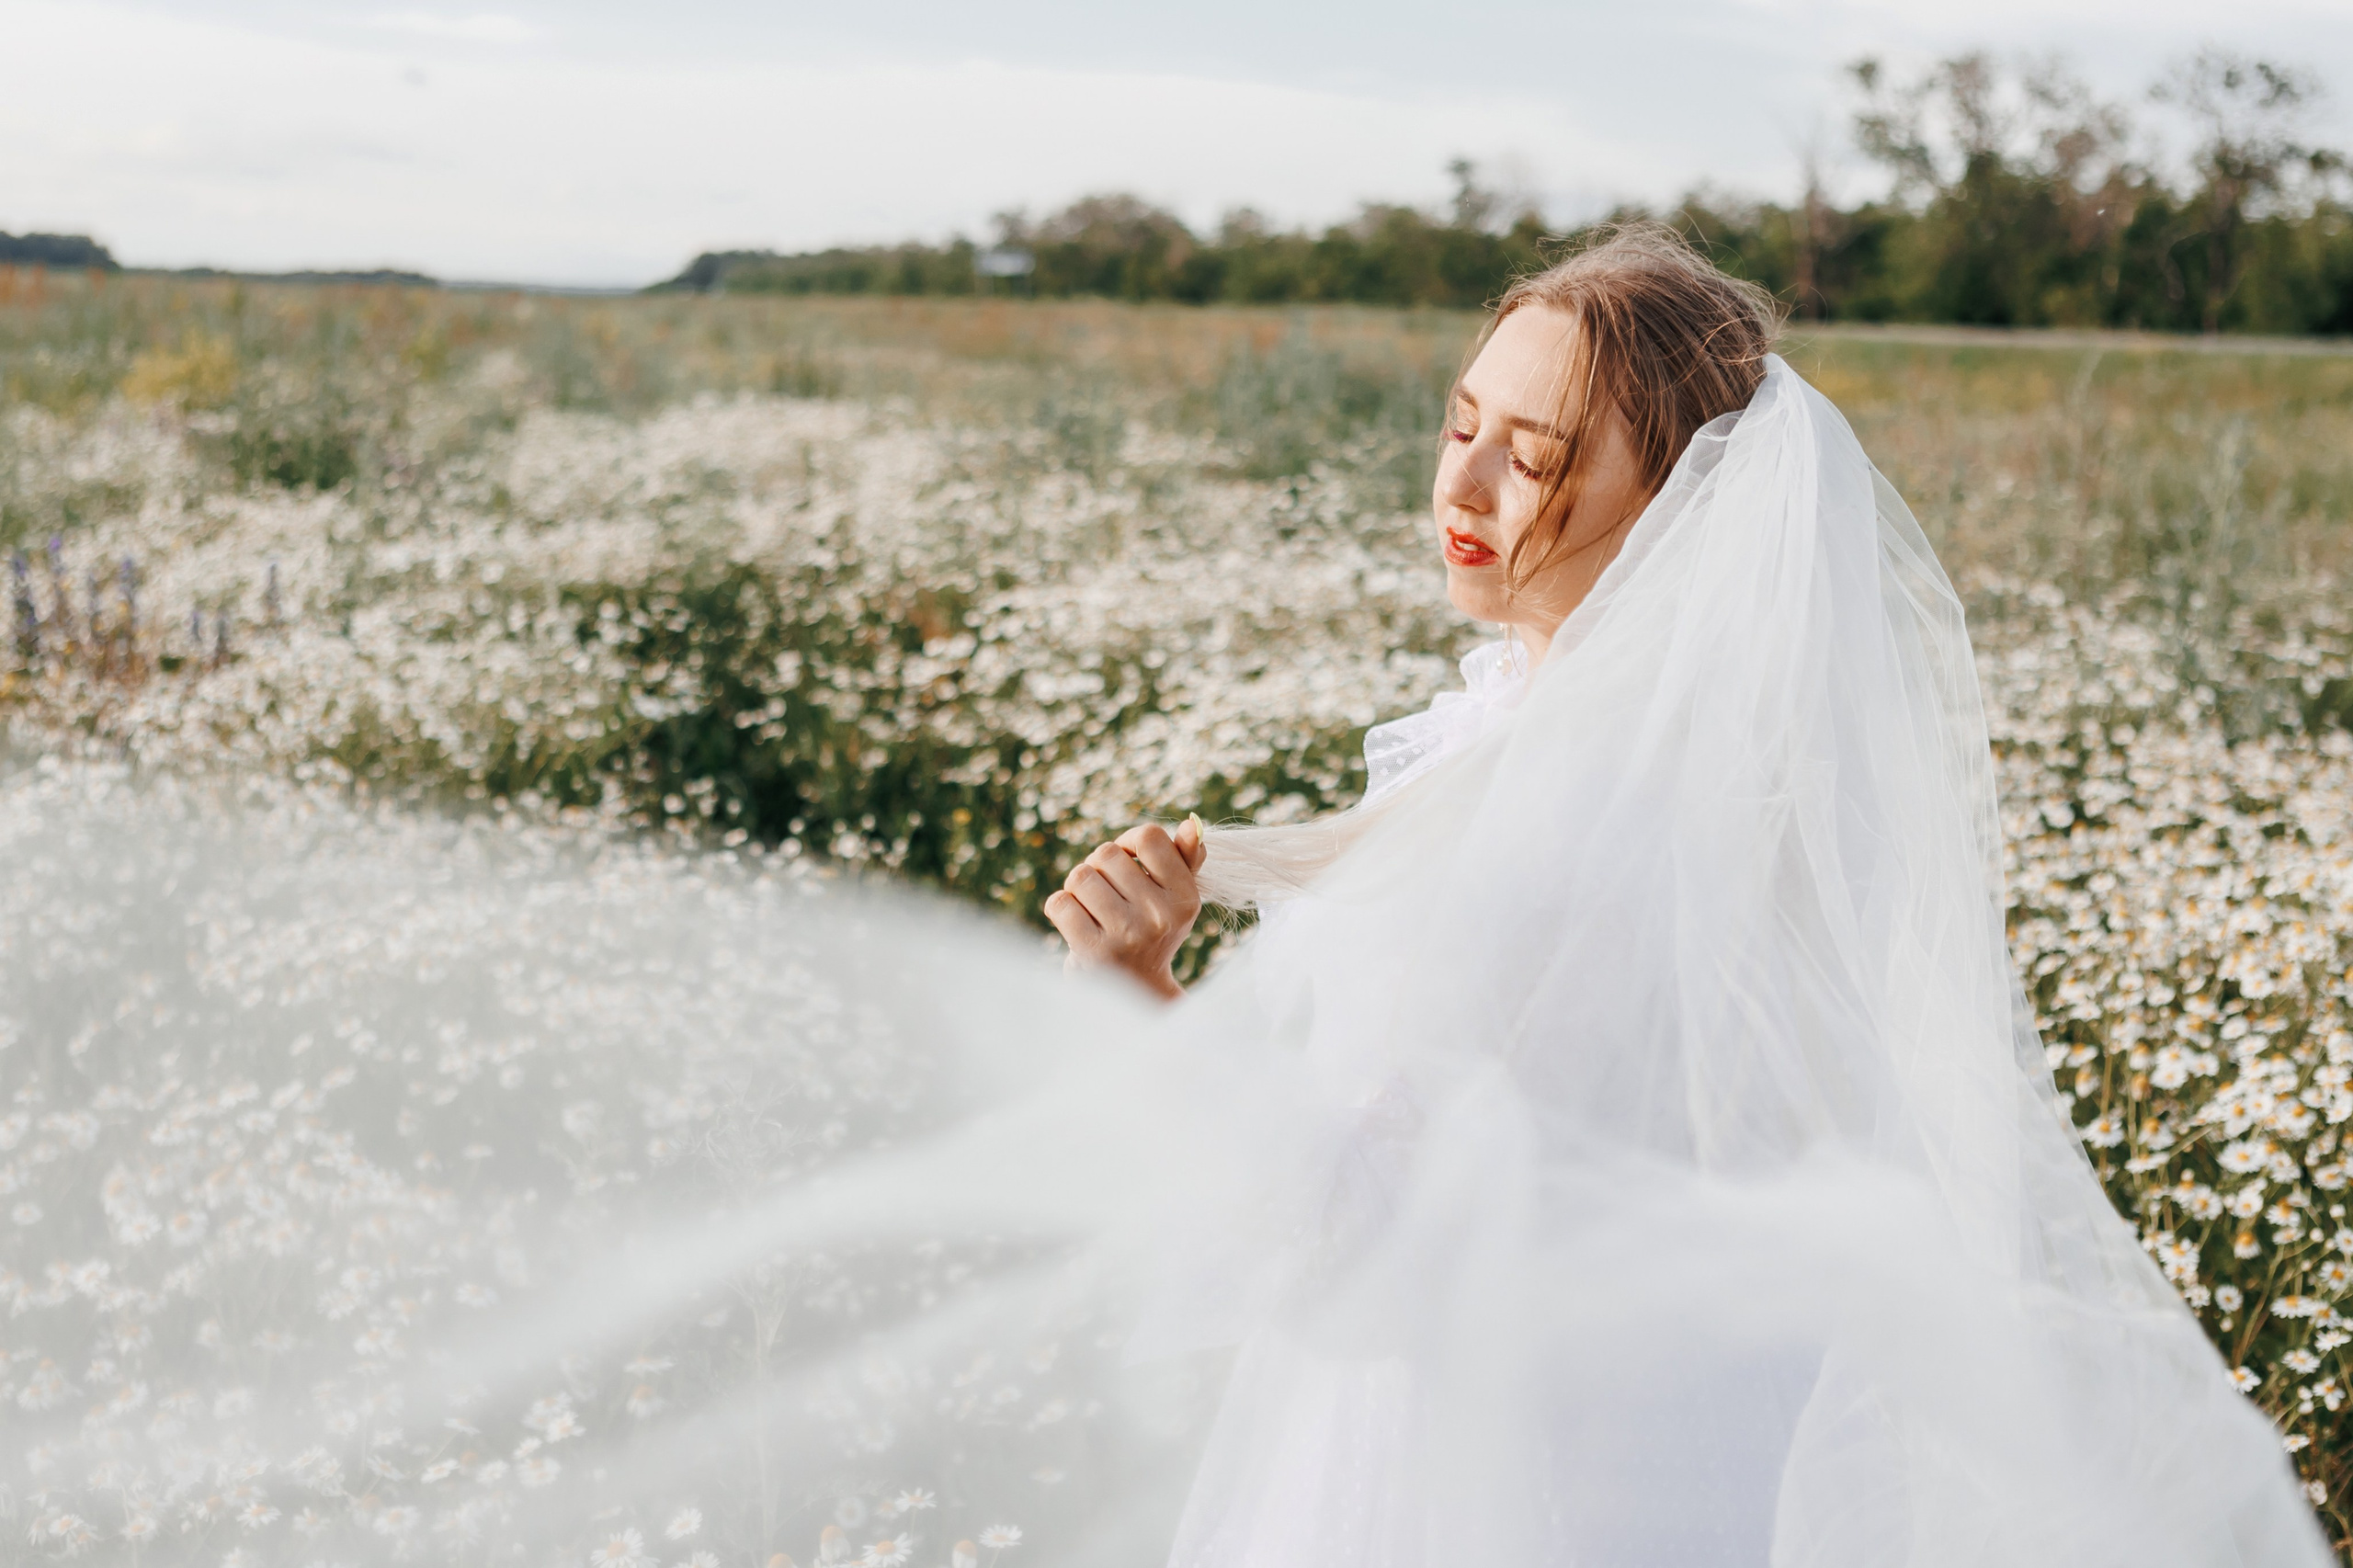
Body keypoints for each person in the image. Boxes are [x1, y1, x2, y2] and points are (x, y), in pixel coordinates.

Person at [1040, 224, 2333, 1564]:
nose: (1461, 483)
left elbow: (1376, 1265)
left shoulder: (1577, 830)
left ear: (1683, 505)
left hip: (1516, 1481)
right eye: (1461, 425)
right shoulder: (1603, 748)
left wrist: (1142, 1004)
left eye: (1534, 456)